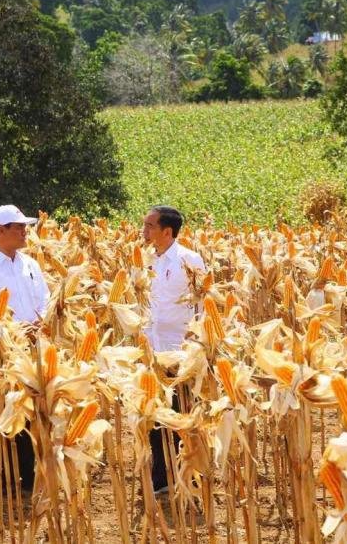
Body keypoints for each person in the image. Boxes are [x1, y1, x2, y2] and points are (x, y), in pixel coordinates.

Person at [0, 204, 49, 492]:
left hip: (34, 347)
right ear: (1, 230)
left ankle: (31, 474)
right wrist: (14, 331)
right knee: (3, 413)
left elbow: (45, 297)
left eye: (25, 226)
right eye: (19, 227)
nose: (25, 231)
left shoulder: (30, 264)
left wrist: (42, 323)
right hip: (1, 352)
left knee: (32, 410)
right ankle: (5, 476)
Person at [141, 205, 205, 493]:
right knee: (155, 414)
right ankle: (161, 474)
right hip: (153, 348)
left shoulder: (188, 259)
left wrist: (197, 342)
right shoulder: (145, 261)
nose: (144, 231)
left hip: (180, 350)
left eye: (150, 226)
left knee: (181, 413)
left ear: (168, 231)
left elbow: (203, 304)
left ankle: (185, 472)